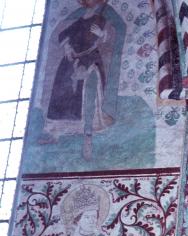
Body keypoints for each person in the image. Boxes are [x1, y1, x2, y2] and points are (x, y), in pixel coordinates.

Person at [39, 0, 126, 160]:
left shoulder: (107, 12)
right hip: (72, 59)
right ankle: (55, 132)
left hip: (91, 58)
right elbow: (63, 33)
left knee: (88, 93)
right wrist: (67, 47)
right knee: (61, 89)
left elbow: (119, 29)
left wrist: (103, 34)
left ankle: (88, 137)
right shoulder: (80, 15)